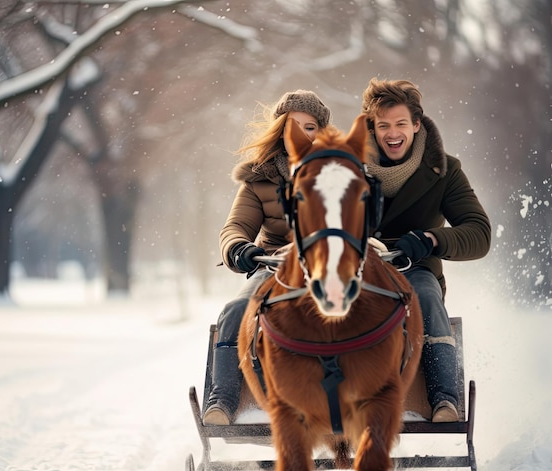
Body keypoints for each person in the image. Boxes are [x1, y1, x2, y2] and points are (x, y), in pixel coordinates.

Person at [361, 77, 491, 422]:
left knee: (425, 296)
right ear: (371, 128)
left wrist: (432, 239)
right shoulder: (342, 166)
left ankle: (444, 402)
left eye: (401, 123)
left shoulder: (445, 170)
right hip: (352, 269)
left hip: (414, 270)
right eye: (383, 125)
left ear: (416, 125)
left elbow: (478, 233)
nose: (393, 133)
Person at [203, 90, 332, 425]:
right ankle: (224, 401)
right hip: (274, 265)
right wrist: (240, 250)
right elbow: (234, 228)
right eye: (292, 125)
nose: (300, 134)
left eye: (310, 127)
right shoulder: (257, 179)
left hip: (332, 267)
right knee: (234, 310)